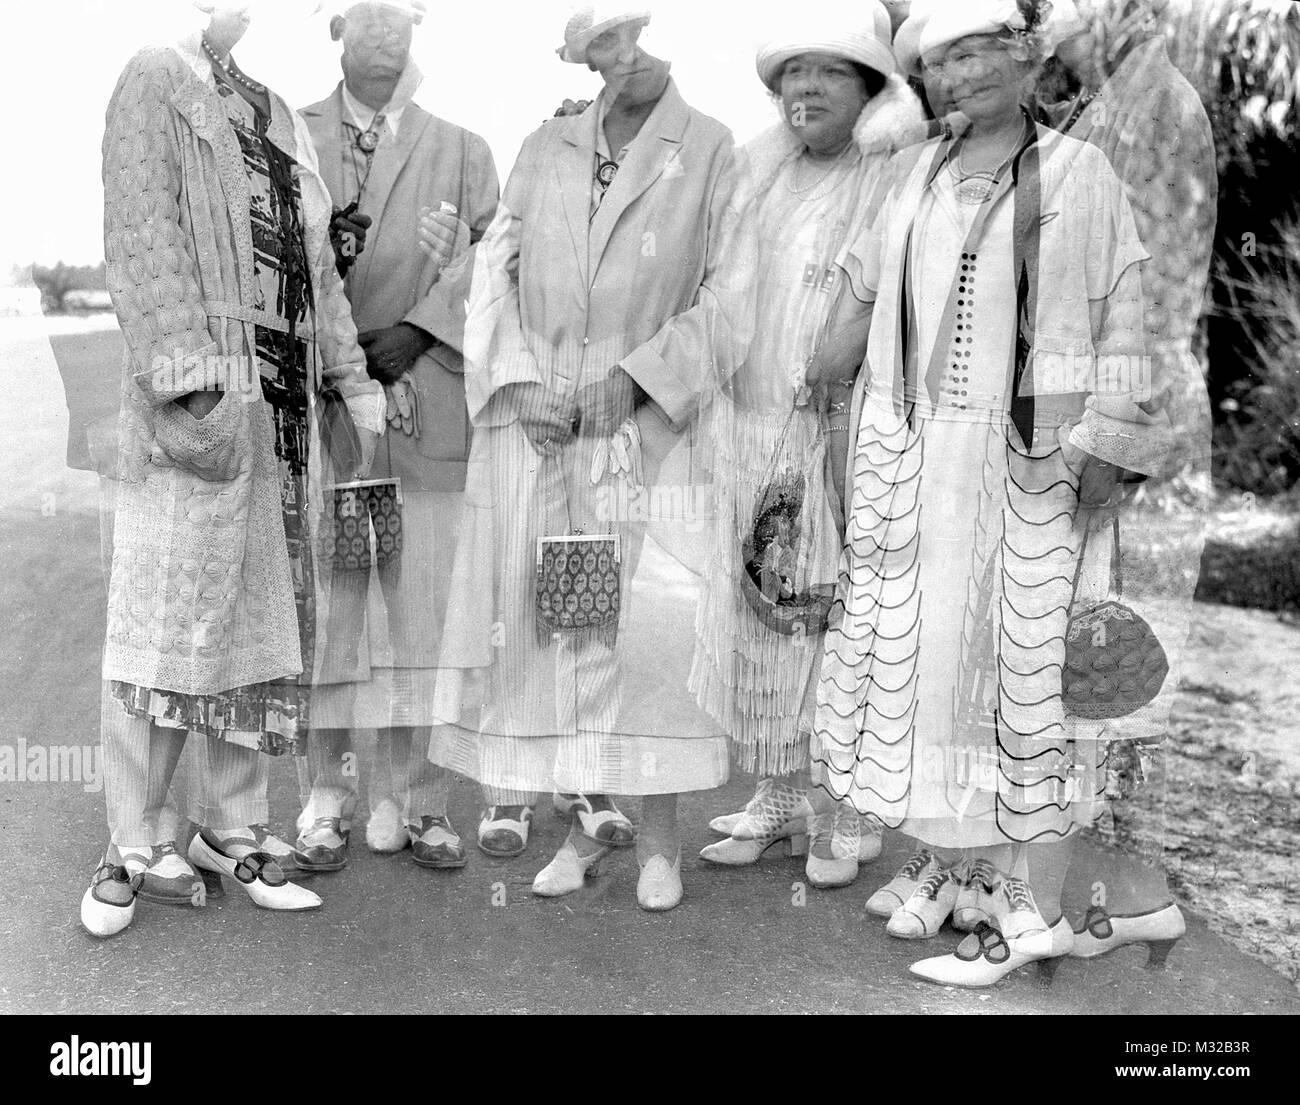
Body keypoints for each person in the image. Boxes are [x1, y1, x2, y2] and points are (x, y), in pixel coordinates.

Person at [809, 0, 1167, 985]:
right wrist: (816, 387)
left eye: (978, 53)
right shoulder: (911, 169)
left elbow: (1123, 311)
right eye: (940, 60)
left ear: (1023, 59)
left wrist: (1112, 440)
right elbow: (863, 296)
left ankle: (1026, 906)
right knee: (928, 662)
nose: (958, 76)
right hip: (914, 459)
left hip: (1031, 460)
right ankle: (952, 867)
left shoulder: (1079, 173)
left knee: (1018, 668)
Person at [427, 4, 751, 910]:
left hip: (648, 431)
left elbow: (735, 300)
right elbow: (495, 268)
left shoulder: (713, 147)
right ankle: (575, 819)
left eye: (628, 35)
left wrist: (640, 379)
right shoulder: (546, 144)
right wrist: (518, 381)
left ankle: (659, 842)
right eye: (598, 43)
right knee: (548, 624)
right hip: (536, 427)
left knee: (642, 636)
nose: (618, 57)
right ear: (581, 53)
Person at [85, 0, 385, 936]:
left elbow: (319, 274)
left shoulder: (276, 111)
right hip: (201, 403)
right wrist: (189, 385)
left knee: (260, 623)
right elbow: (143, 240)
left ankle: (231, 827)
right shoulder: (154, 77)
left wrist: (349, 374)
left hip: (283, 414)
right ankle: (131, 842)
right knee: (167, 618)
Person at [691, 3, 925, 889]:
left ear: (869, 90)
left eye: (830, 71)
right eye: (793, 73)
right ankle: (781, 790)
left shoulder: (891, 172)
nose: (807, 88)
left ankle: (844, 805)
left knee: (832, 612)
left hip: (842, 427)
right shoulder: (756, 171)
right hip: (750, 424)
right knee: (762, 607)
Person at [292, 0, 500, 873]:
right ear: (335, 28)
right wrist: (339, 353)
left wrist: (418, 330)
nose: (383, 29)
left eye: (398, 13)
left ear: (418, 27)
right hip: (328, 401)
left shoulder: (463, 146)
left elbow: (494, 260)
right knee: (336, 609)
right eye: (364, 13)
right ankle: (328, 793)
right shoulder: (287, 131)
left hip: (427, 395)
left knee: (422, 610)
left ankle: (417, 798)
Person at [1046, 0, 1216, 967]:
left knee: (1118, 672)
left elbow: (1164, 291)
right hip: (1087, 425)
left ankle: (1123, 901)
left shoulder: (1159, 106)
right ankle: (1089, 894)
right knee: (1084, 673)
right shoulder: (1099, 103)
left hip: (1134, 438)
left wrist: (1114, 438)